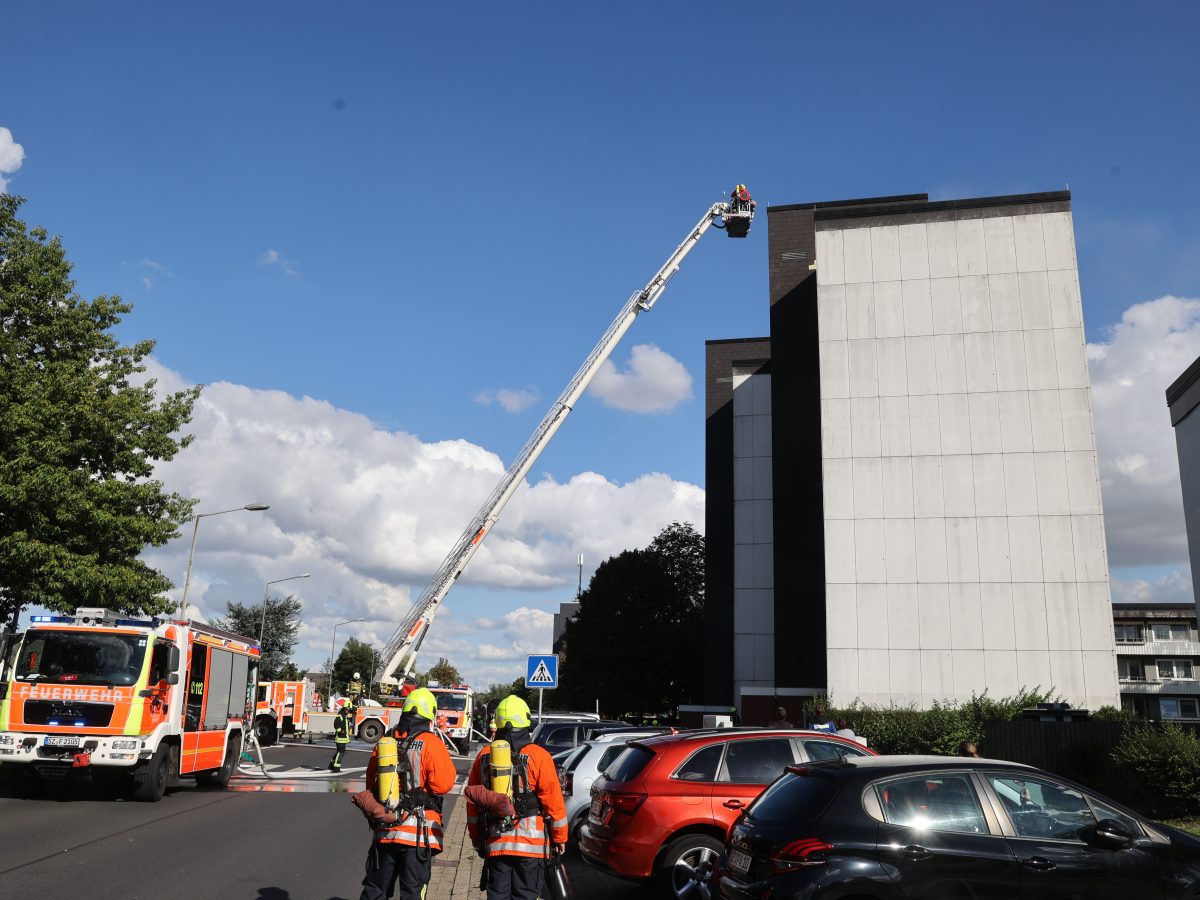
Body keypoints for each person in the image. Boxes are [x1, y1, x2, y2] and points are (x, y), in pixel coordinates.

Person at [467, 694, 569, 900]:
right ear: (525, 721)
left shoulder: (484, 755)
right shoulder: (539, 756)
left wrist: (477, 838)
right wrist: (560, 838)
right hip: (531, 847)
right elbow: (553, 802)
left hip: (497, 842)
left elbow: (474, 803)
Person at [359, 687, 456, 900]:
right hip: (417, 835)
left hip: (385, 830)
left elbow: (371, 781)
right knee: (412, 893)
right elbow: (443, 785)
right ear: (429, 714)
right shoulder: (431, 743)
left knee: (375, 890)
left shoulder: (386, 742)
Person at [331, 706, 353, 771]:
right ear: (344, 708)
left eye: (348, 709)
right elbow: (336, 724)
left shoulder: (344, 715)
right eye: (346, 709)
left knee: (339, 752)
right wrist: (340, 731)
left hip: (342, 738)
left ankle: (332, 765)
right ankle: (336, 768)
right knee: (341, 752)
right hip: (340, 738)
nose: (347, 710)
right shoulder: (340, 715)